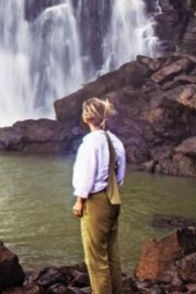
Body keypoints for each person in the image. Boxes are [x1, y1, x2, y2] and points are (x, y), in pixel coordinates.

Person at [72, 97, 126, 294]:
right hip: (114, 199)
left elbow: (86, 175)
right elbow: (120, 175)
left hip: (96, 201)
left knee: (96, 258)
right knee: (112, 253)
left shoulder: (90, 144)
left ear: (87, 117)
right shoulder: (116, 142)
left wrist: (79, 201)